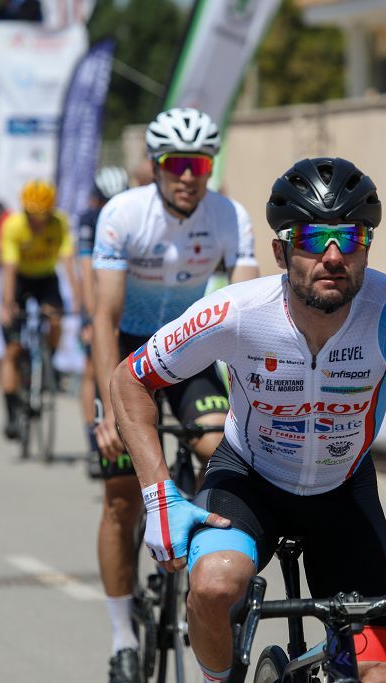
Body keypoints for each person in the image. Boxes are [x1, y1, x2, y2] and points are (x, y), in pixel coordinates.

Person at [109, 157, 386, 683]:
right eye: (313, 237)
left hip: (342, 491)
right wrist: (159, 495)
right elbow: (130, 380)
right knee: (216, 585)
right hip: (249, 481)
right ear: (281, 249)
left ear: (367, 247)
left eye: (351, 238)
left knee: (377, 676)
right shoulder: (237, 313)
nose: (333, 256)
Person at [91, 106, 258, 683]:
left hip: (186, 352)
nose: (189, 175)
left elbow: (249, 312)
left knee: (218, 447)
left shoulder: (230, 217)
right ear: (156, 167)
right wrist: (109, 406)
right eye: (177, 164)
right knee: (120, 495)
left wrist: (249, 405)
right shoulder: (122, 215)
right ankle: (120, 637)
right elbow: (104, 318)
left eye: (201, 164)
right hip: (126, 355)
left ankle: (215, 578)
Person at [0, 179, 79, 440]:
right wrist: (7, 304)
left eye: (43, 216)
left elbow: (68, 261)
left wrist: (77, 297)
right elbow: (8, 269)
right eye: (33, 216)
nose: (38, 222)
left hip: (45, 279)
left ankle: (48, 361)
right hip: (19, 280)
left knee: (55, 320)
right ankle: (11, 413)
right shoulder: (13, 226)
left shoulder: (59, 223)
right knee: (12, 349)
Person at [76, 166, 129, 477]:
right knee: (93, 369)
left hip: (127, 304)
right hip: (99, 301)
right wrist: (90, 316)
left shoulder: (130, 217)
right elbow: (86, 272)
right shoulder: (88, 220)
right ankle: (92, 439)